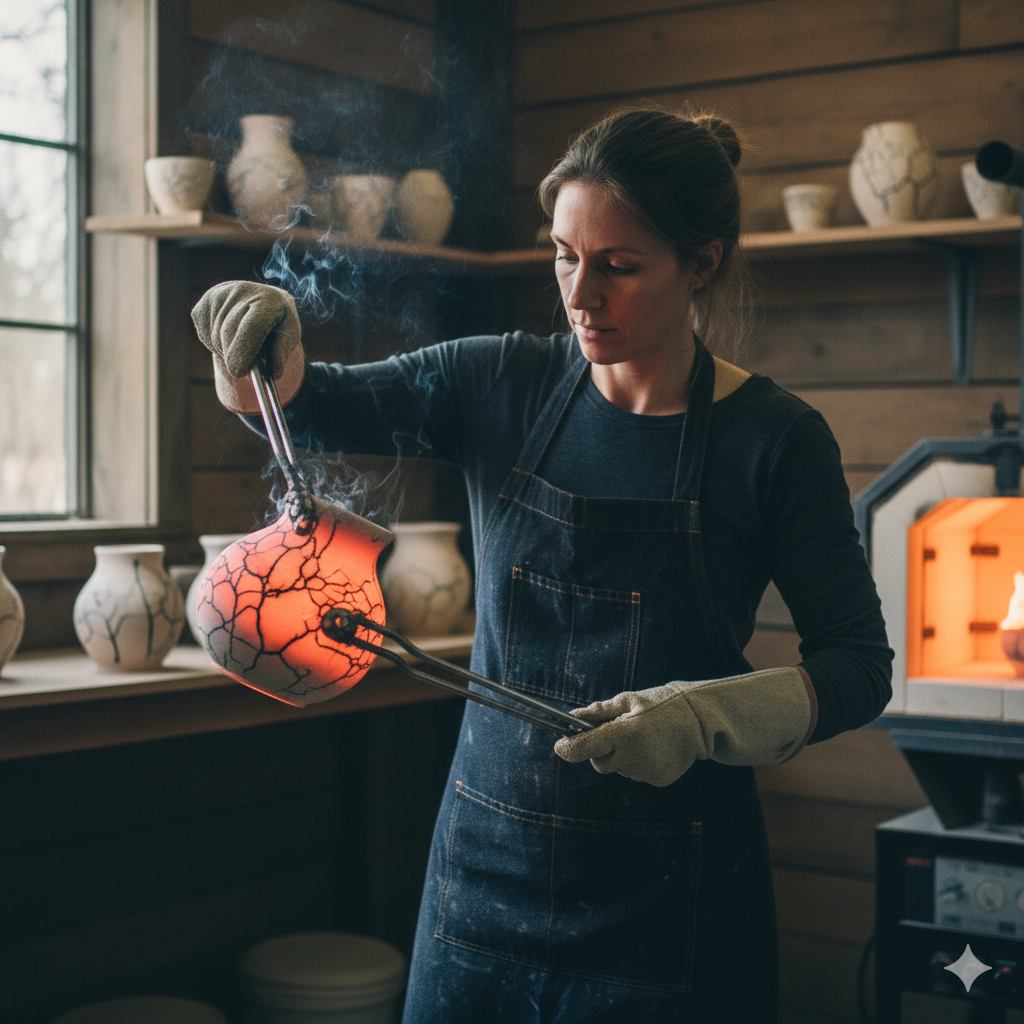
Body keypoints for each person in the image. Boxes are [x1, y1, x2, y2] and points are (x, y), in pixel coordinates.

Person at [192, 107, 893, 1023]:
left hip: (671, 907)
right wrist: (258, 349)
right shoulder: (496, 383)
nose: (580, 293)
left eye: (619, 265)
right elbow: (308, 404)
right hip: (482, 890)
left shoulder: (775, 441)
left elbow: (859, 666)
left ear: (703, 263)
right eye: (565, 255)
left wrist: (707, 714)